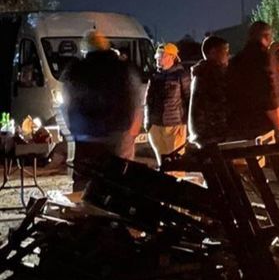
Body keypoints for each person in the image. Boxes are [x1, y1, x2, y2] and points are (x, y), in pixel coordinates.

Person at [61, 30, 142, 191]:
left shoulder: (76, 69)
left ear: (85, 48)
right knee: (117, 179)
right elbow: (134, 99)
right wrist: (133, 127)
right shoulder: (122, 68)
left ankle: (83, 210)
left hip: (85, 135)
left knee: (85, 179)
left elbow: (66, 101)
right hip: (117, 134)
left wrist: (72, 127)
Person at [226, 21, 279, 140]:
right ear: (267, 36)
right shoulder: (265, 58)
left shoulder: (235, 60)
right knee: (262, 156)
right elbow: (271, 93)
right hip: (261, 123)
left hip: (238, 123)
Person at [145, 42, 191, 166]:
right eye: (157, 57)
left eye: (162, 56)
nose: (158, 59)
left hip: (175, 125)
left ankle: (177, 184)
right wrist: (147, 122)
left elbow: (189, 99)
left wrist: (186, 123)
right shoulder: (155, 76)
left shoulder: (181, 75)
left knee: (176, 164)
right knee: (162, 164)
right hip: (155, 125)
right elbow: (148, 101)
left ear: (172, 57)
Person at [189, 36, 230, 146]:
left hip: (204, 134)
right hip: (213, 135)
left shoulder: (202, 72)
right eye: (225, 51)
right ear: (213, 52)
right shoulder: (212, 74)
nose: (228, 56)